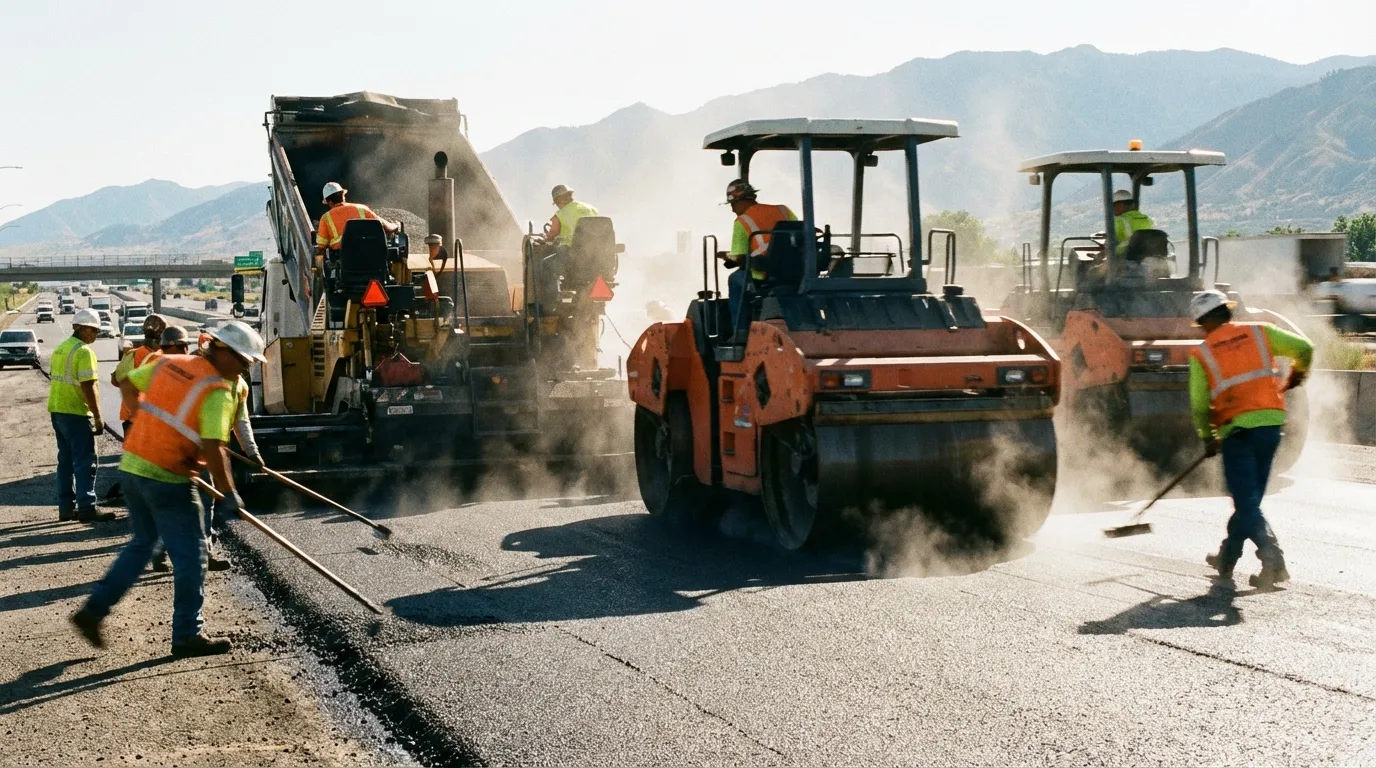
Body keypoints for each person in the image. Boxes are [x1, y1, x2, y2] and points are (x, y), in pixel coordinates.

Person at [70, 321, 268, 658]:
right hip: (169, 481)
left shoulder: (169, 362)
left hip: (133, 468)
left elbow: (128, 383)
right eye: (244, 361)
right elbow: (213, 446)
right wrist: (229, 492)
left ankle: (93, 611)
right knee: (193, 557)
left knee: (142, 544)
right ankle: (187, 635)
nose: (246, 368)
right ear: (222, 351)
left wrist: (143, 420)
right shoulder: (217, 389)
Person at [1189, 289, 1313, 590]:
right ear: (1227, 311)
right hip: (1271, 426)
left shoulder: (1202, 353)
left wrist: (1208, 436)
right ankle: (1227, 557)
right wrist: (1296, 376)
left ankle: (1274, 561)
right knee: (1250, 499)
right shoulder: (1260, 332)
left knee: (1245, 501)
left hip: (1237, 433)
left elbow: (1198, 403)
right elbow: (1305, 348)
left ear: (1203, 323)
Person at [48, 309, 116, 524]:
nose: (95, 335)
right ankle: (87, 508)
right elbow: (89, 386)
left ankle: (66, 508)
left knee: (66, 462)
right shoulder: (84, 351)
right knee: (86, 462)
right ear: (83, 328)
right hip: (76, 412)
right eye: (94, 331)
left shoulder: (61, 347)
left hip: (58, 410)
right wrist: (97, 416)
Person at [715, 179, 797, 332]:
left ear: (740, 201)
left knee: (734, 280)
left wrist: (724, 255)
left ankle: (740, 331)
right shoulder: (784, 210)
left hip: (764, 274)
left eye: (732, 204)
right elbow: (798, 236)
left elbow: (738, 257)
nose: (733, 210)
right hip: (796, 272)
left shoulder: (742, 221)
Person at [314, 181, 400, 264]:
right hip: (371, 256)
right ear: (343, 196)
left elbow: (321, 246)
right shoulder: (362, 209)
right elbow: (385, 226)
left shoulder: (326, 218)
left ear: (329, 202)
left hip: (345, 260)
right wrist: (396, 225)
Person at [1112, 189, 1154, 255]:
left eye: (1113, 206)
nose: (1113, 210)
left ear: (1120, 205)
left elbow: (1112, 243)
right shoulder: (1147, 219)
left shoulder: (1119, 220)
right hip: (1146, 255)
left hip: (1127, 258)